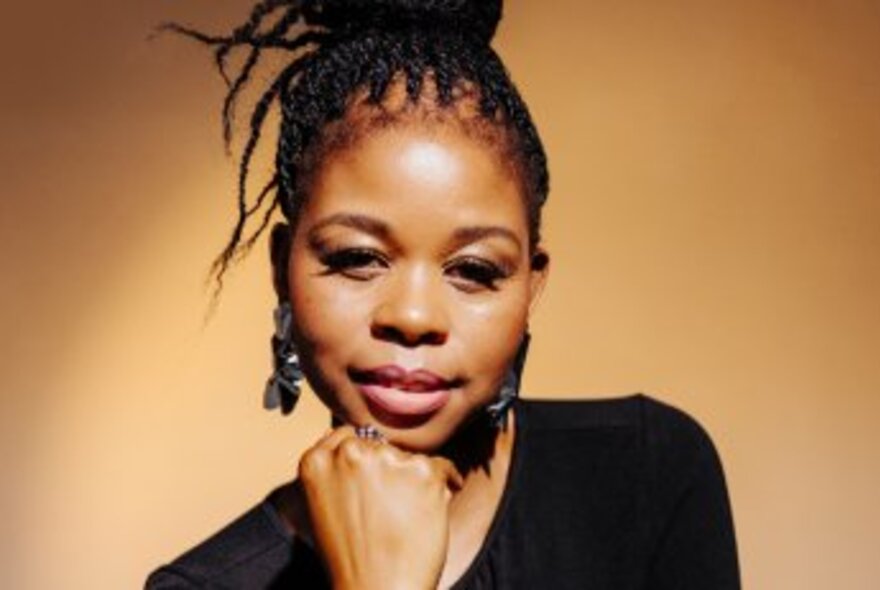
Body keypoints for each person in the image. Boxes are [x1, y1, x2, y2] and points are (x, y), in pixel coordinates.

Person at [146, 1, 740, 588]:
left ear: (532, 286)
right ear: (282, 267)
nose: (413, 316)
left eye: (475, 270)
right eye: (357, 259)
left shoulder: (646, 478)